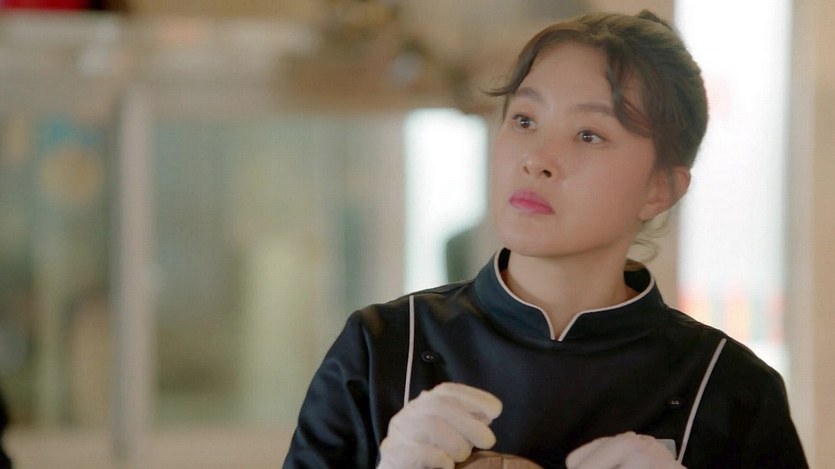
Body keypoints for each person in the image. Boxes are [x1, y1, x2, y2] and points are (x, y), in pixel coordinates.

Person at [283, 10, 808, 469]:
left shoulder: (731, 389)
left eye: (588, 134)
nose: (536, 158)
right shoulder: (381, 348)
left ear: (660, 190)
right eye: (525, 119)